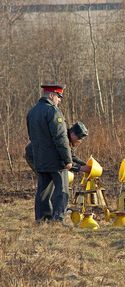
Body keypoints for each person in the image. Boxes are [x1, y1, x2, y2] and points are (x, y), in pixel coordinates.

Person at [26, 83, 73, 223]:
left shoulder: (32, 112)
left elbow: (31, 137)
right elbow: (60, 137)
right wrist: (67, 159)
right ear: (52, 95)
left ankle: (42, 219)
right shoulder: (53, 112)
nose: (59, 100)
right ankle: (58, 219)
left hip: (39, 158)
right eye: (58, 97)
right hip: (55, 159)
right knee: (62, 189)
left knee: (43, 191)